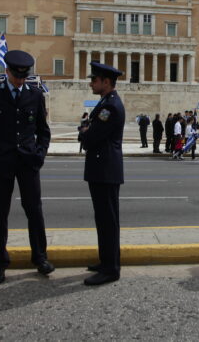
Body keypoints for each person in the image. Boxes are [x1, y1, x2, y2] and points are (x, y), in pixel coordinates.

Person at [0, 50, 54, 284]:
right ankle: (0, 261)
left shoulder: (36, 95)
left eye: (24, 77)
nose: (20, 80)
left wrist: (40, 155)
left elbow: (43, 131)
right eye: (17, 76)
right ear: (7, 71)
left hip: (28, 162)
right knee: (0, 213)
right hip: (1, 162)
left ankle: (40, 257)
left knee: (34, 210)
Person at [78, 62, 125, 286]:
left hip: (105, 169)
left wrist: (85, 132)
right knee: (103, 219)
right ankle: (106, 261)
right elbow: (90, 130)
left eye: (94, 80)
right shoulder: (105, 102)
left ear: (106, 82)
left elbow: (91, 136)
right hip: (102, 168)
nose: (91, 83)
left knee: (108, 220)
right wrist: (87, 130)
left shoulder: (111, 106)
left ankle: (111, 269)